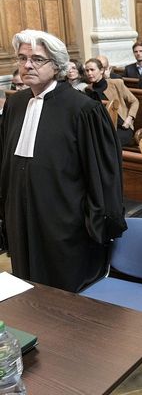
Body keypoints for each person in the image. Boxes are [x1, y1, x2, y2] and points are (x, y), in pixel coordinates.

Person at [0, 29, 126, 293]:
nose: (27, 65)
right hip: (21, 217)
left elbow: (102, 174)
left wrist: (96, 224)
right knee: (27, 287)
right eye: (22, 58)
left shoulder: (83, 109)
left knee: (63, 295)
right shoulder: (16, 104)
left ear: (56, 64)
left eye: (36, 59)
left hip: (65, 222)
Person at [84, 58, 139, 146]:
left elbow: (134, 101)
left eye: (92, 70)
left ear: (101, 70)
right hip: (101, 129)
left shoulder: (116, 83)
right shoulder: (88, 90)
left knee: (108, 143)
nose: (89, 73)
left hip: (122, 127)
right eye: (87, 70)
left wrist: (129, 118)